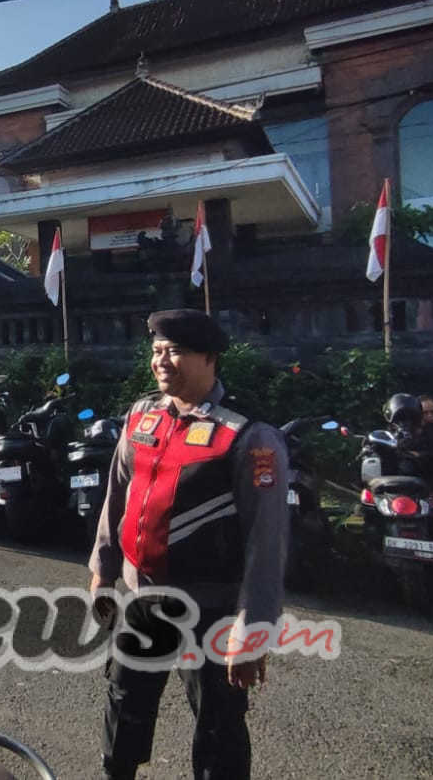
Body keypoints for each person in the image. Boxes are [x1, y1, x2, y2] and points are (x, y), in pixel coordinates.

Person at [88, 309, 289, 780]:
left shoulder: (247, 436)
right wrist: (104, 568)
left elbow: (268, 538)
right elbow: (117, 495)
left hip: (211, 605)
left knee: (218, 722)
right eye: (157, 351)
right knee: (124, 702)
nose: (162, 361)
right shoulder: (142, 416)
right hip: (143, 596)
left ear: (210, 357)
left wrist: (253, 627)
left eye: (175, 351)